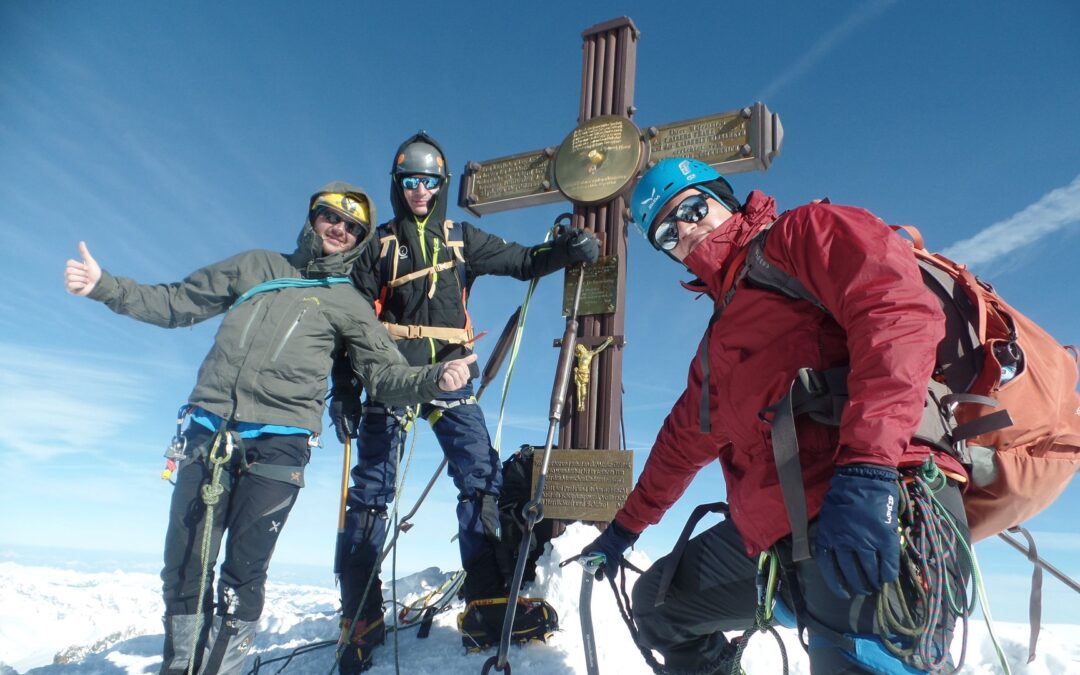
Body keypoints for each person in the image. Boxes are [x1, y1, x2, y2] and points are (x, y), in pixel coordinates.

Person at [64, 182, 477, 675]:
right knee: (185, 566)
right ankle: (179, 666)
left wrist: (434, 377)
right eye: (331, 216)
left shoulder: (348, 303)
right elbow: (178, 302)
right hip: (208, 430)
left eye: (352, 227)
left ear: (360, 240)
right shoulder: (256, 265)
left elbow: (384, 376)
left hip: (280, 445)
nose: (339, 229)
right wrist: (105, 286)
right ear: (312, 217)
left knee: (243, 575)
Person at [583, 158, 972, 674]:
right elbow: (679, 446)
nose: (685, 230)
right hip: (777, 541)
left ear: (724, 198)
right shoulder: (716, 347)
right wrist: (623, 531)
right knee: (660, 605)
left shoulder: (802, 234)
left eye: (693, 208)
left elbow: (896, 313)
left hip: (877, 501)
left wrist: (868, 466)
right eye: (666, 233)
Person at [329, 131, 598, 671]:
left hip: (451, 373)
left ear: (442, 185)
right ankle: (360, 615)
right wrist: (345, 390)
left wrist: (565, 252)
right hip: (392, 376)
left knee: (481, 479)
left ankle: (487, 599)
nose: (420, 190)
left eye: (429, 181)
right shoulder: (379, 246)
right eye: (410, 181)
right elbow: (350, 324)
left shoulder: (461, 239)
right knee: (371, 494)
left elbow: (521, 260)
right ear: (398, 184)